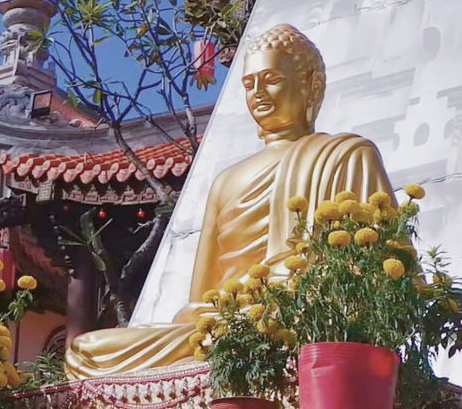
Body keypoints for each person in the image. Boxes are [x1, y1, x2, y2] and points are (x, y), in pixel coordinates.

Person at [66, 24, 395, 378]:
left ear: (311, 84)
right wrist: (216, 317)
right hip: (225, 326)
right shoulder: (226, 181)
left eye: (271, 79)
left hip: (302, 317)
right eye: (249, 83)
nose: (257, 92)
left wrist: (296, 299)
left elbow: (384, 264)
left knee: (309, 331)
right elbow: (200, 301)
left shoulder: (347, 156)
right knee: (83, 353)